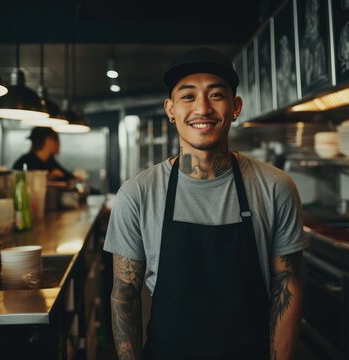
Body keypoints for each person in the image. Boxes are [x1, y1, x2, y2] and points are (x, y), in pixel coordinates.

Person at [105, 47, 306, 360]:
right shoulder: (138, 193)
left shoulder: (275, 187)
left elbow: (287, 285)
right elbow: (124, 293)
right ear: (170, 109)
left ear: (235, 106)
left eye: (216, 95)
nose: (202, 108)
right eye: (188, 96)